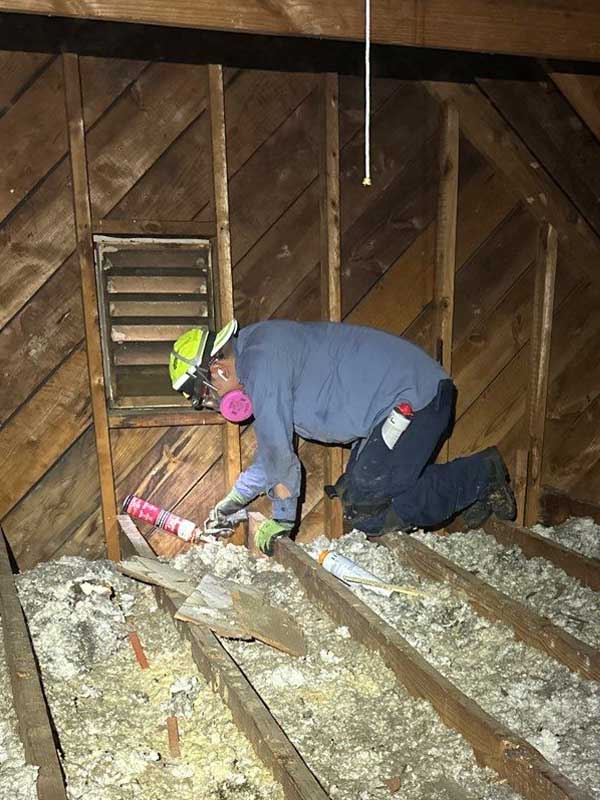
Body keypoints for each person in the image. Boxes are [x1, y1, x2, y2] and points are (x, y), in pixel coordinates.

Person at [169, 319, 516, 555]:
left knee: (366, 495)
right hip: (392, 411)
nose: (216, 405)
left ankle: (481, 475)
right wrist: (233, 502)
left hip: (415, 399)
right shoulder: (257, 356)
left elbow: (278, 455)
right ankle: (474, 484)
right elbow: (269, 454)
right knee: (360, 501)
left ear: (217, 369)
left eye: (208, 394)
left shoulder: (261, 363)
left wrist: (283, 519)